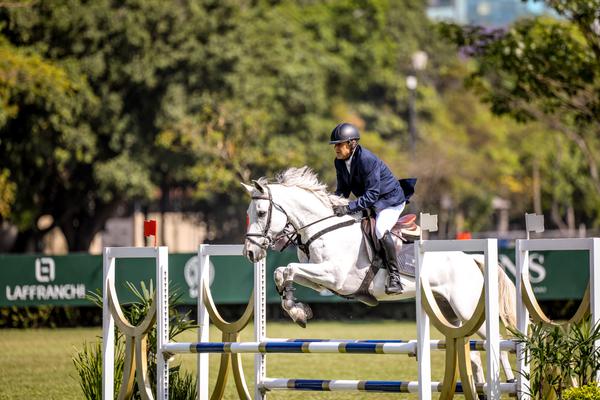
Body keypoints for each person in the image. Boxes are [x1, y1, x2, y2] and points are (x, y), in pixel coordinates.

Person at [329, 122, 414, 295]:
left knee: (381, 229)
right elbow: (343, 191)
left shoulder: (367, 160)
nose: (336, 148)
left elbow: (372, 195)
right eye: (335, 145)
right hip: (373, 201)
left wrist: (348, 208)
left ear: (351, 143)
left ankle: (395, 277)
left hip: (390, 201)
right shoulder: (339, 162)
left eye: (339, 144)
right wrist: (332, 205)